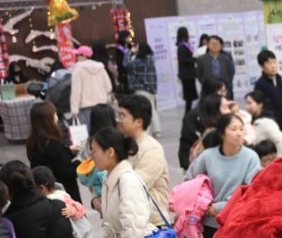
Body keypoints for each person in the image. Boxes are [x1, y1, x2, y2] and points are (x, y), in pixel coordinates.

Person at [187, 112, 260, 238]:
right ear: (222, 133)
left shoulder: (251, 157)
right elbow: (189, 182)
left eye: (241, 129)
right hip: (208, 223)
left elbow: (252, 191)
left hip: (237, 222)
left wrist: (221, 207)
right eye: (233, 129)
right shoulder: (207, 156)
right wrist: (203, 204)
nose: (239, 133)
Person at [116, 94, 171, 225]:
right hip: (132, 220)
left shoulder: (151, 149)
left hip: (151, 223)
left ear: (139, 122)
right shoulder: (123, 143)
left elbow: (133, 186)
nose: (118, 120)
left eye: (122, 116)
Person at [26, 100, 81, 202]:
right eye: (54, 114)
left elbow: (53, 161)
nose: (57, 117)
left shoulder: (33, 141)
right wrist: (80, 161)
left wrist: (68, 151)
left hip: (45, 192)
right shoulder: (52, 143)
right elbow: (67, 172)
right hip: (62, 194)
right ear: (48, 119)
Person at [70, 43, 114, 127]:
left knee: (89, 133)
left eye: (78, 55)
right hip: (102, 106)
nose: (76, 57)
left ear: (84, 56)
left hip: (85, 108)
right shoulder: (100, 67)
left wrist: (74, 110)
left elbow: (76, 92)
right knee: (102, 131)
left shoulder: (78, 69)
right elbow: (109, 87)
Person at [254, 49, 282, 128]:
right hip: (274, 124)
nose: (273, 66)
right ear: (262, 66)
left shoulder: (279, 79)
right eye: (268, 63)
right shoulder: (260, 84)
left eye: (274, 62)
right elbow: (262, 108)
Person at [245, 90, 282, 157]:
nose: (247, 107)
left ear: (260, 104)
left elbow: (281, 141)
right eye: (246, 103)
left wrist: (280, 160)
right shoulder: (250, 119)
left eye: (250, 103)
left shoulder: (266, 122)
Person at [199, 35, 235, 99]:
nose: (215, 45)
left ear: (220, 46)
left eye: (217, 44)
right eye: (212, 43)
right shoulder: (201, 59)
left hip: (223, 90)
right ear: (208, 45)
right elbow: (199, 75)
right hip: (208, 91)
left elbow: (231, 73)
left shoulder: (226, 59)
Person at [176, 26, 198, 114]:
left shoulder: (185, 45)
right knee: (189, 96)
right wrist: (194, 58)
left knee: (190, 96)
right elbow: (182, 60)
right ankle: (187, 112)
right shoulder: (182, 46)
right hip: (186, 75)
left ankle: (188, 112)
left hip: (189, 74)